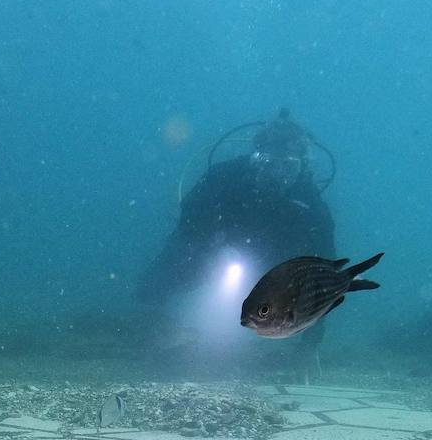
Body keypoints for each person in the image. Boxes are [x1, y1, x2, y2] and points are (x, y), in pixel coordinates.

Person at [135, 110, 335, 379]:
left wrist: (310, 344)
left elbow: (324, 277)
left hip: (272, 268)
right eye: (267, 162)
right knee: (172, 269)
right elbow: (185, 232)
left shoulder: (311, 206)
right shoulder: (223, 178)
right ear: (255, 158)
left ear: (301, 166)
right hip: (214, 251)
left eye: (288, 165)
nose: (277, 173)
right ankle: (152, 330)